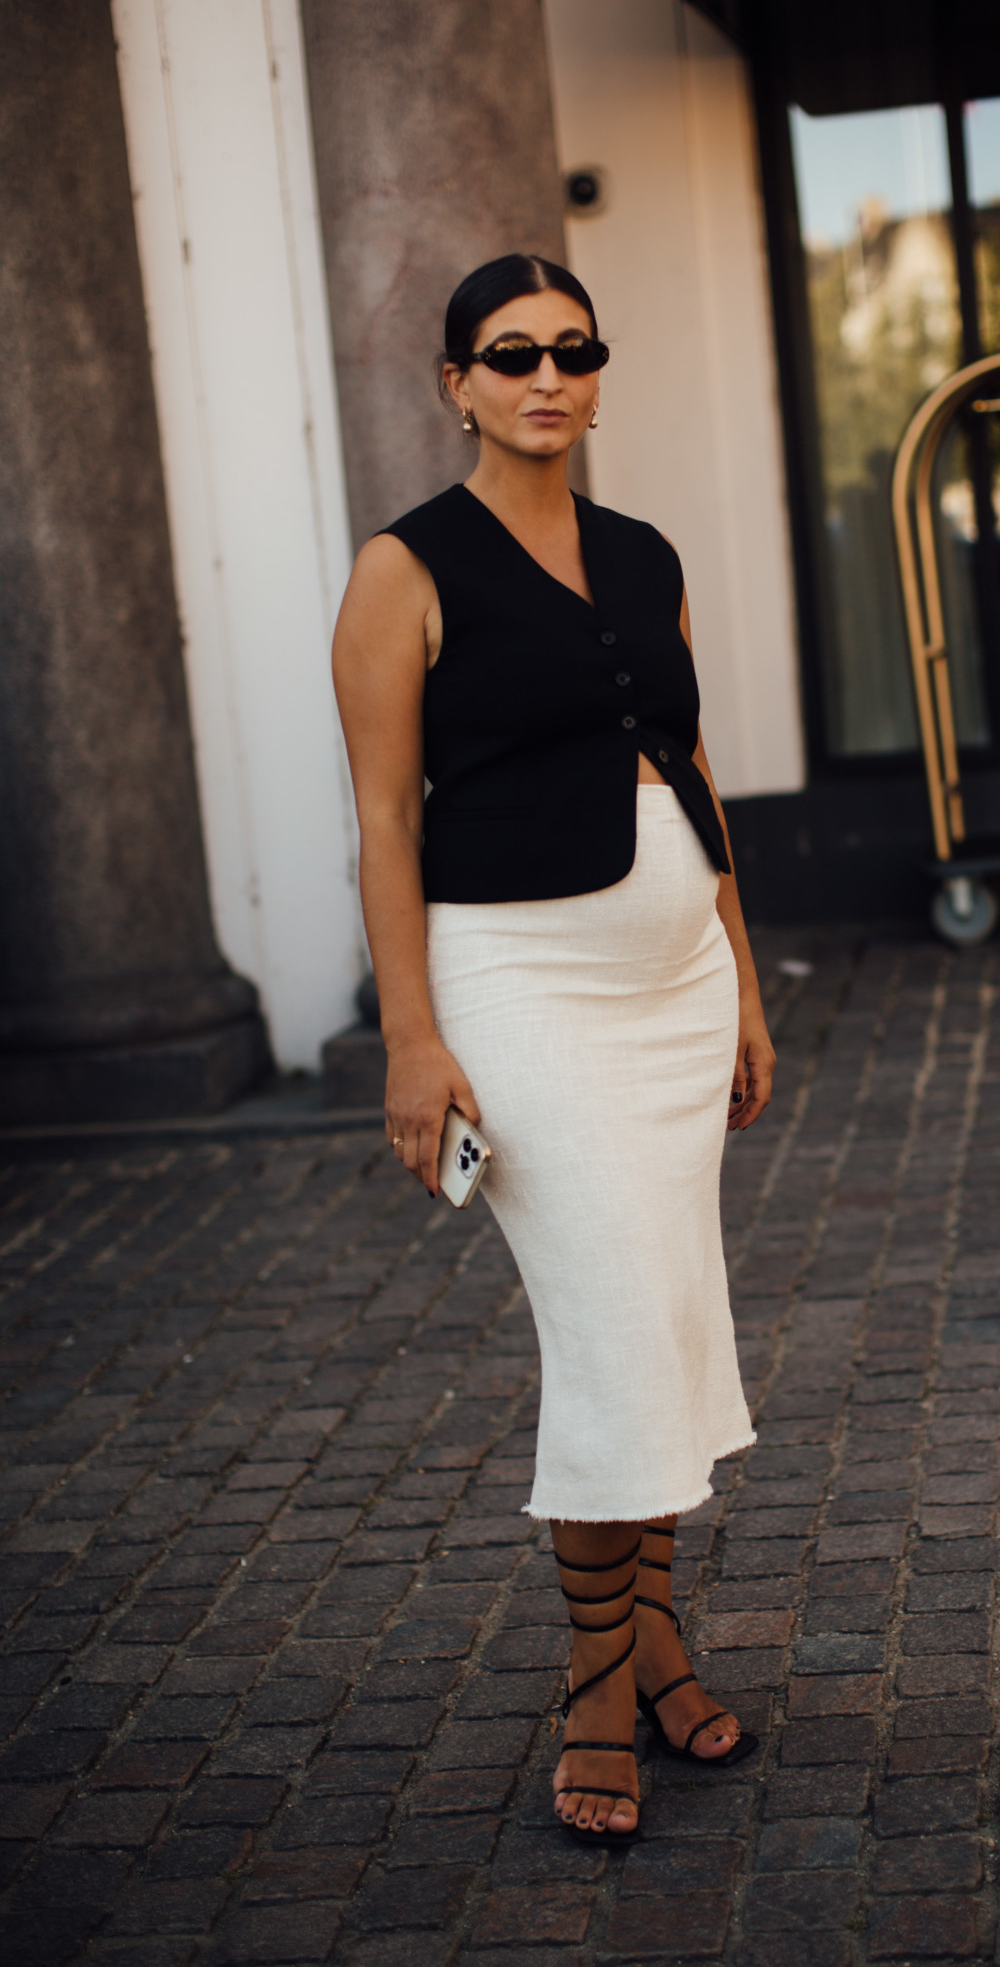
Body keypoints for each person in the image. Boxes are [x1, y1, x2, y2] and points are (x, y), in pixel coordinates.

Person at [331, 254, 775, 1846]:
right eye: (510, 353)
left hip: (671, 989)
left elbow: (689, 757)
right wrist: (412, 1038)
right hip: (517, 987)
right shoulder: (404, 568)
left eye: (573, 350)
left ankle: (655, 1644)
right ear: (454, 382)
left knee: (661, 1313)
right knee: (604, 1326)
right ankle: (598, 1687)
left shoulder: (643, 551)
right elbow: (385, 818)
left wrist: (741, 974)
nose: (546, 376)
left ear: (598, 372)